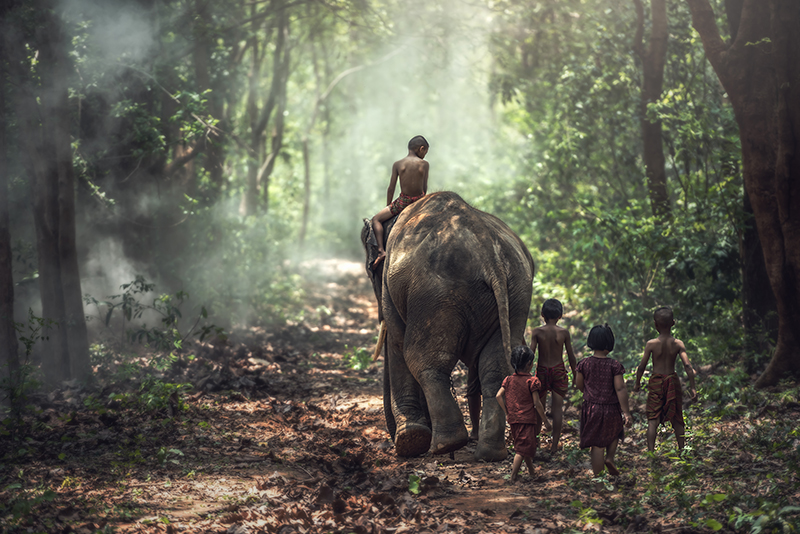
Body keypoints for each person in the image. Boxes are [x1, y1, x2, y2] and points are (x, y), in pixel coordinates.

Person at [633, 306, 698, 452]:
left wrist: (637, 383)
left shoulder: (651, 344)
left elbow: (641, 366)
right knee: (677, 417)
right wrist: (693, 387)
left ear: (655, 324)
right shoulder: (678, 344)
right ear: (673, 323)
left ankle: (650, 452)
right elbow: (687, 365)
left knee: (653, 419)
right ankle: (682, 450)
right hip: (672, 381)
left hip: (656, 382)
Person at [575, 324, 632, 477]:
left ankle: (599, 481)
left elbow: (578, 384)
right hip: (611, 408)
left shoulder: (584, 364)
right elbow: (620, 389)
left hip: (591, 408)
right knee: (615, 432)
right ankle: (610, 458)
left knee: (597, 445)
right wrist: (626, 412)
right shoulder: (614, 365)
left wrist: (589, 394)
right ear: (609, 345)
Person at [371, 135, 430, 268]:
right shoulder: (425, 165)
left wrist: (389, 205)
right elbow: (424, 188)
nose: (425, 155)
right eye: (425, 152)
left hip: (403, 202)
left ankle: (381, 251)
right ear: (421, 148)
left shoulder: (398, 164)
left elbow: (391, 188)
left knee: (376, 219)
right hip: (419, 202)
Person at [496, 346, 552, 482]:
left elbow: (498, 396)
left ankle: (531, 472)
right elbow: (537, 404)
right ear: (529, 364)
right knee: (522, 449)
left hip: (514, 419)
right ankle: (513, 476)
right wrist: (545, 421)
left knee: (524, 445)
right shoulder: (532, 381)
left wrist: (507, 412)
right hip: (527, 420)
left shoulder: (508, 380)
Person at [530, 298, 577, 454]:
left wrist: (526, 374)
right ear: (560, 316)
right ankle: (555, 446)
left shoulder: (537, 332)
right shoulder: (563, 332)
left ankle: (536, 442)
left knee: (539, 408)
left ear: (542, 314)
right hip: (558, 370)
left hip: (542, 371)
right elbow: (571, 356)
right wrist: (575, 374)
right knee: (557, 409)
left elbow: (531, 354)